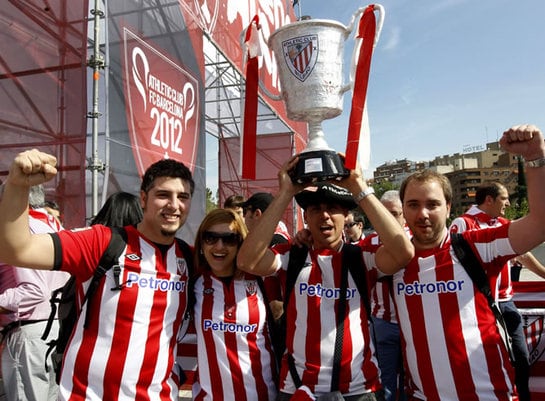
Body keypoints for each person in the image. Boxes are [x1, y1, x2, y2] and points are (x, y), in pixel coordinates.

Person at [0, 149, 195, 401]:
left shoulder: (190, 260)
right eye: (163, 195)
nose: (174, 205)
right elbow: (16, 250)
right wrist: (17, 186)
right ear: (144, 198)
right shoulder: (102, 242)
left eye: (183, 196)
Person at [236, 157, 414, 400]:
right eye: (316, 209)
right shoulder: (292, 256)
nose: (325, 216)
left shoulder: (361, 257)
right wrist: (285, 194)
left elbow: (404, 252)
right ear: (306, 217)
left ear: (346, 216)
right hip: (298, 389)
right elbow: (247, 261)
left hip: (359, 389)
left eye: (333, 208)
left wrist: (359, 188)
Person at [389, 124, 545, 400]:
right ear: (403, 210)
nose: (423, 213)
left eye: (433, 204)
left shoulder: (476, 246)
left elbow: (539, 225)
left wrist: (535, 158)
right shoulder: (391, 260)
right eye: (413, 204)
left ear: (449, 208)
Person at [449, 181, 545, 401]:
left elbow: (523, 254)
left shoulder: (503, 223)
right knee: (482, 359)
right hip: (477, 305)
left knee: (521, 357)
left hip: (507, 302)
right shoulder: (462, 223)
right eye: (504, 198)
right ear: (489, 200)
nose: (508, 203)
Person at [191, 208, 277, 400]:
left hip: (264, 396)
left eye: (229, 239)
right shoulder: (193, 281)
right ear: (201, 242)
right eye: (210, 238)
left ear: (240, 243)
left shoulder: (263, 280)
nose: (219, 246)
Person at [0, 185, 70, 401]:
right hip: (54, 329)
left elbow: (34, 292)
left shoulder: (24, 229)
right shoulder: (54, 226)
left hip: (30, 334)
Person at [366, 190, 408, 401]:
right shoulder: (367, 244)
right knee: (386, 380)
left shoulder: (417, 240)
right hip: (382, 323)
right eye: (385, 213)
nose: (390, 219)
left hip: (414, 324)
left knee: (414, 380)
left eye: (396, 214)